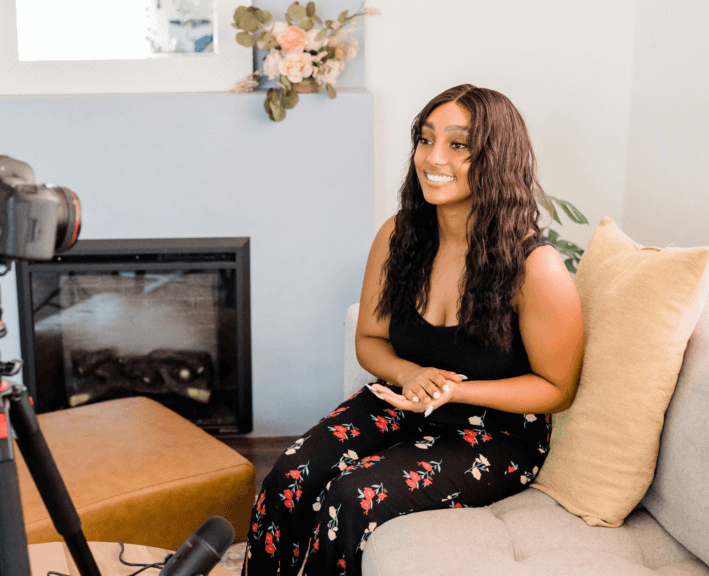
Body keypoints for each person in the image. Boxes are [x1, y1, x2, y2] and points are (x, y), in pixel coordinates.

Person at [241, 84, 585, 576]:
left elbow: (557, 389)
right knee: (288, 475)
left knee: (352, 495)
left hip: (492, 434)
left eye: (458, 144)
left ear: (497, 158)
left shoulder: (536, 267)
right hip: (400, 401)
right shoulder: (398, 235)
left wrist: (453, 392)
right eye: (425, 140)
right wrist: (410, 372)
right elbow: (370, 340)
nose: (433, 157)